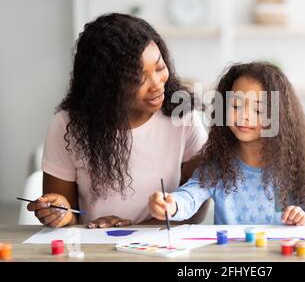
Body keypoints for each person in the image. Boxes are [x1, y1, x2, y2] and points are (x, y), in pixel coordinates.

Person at [27, 13, 208, 228]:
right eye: (139, 78)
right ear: (105, 85)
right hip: (93, 246)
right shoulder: (68, 125)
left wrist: (133, 229)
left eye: (159, 68)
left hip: (158, 242)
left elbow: (196, 206)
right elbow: (66, 216)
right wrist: (61, 215)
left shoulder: (182, 115)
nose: (157, 84)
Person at [149, 62, 305, 225]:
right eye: (235, 106)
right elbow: (190, 196)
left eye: (258, 109)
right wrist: (171, 204)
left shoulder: (291, 166)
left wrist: (304, 218)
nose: (244, 115)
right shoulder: (218, 166)